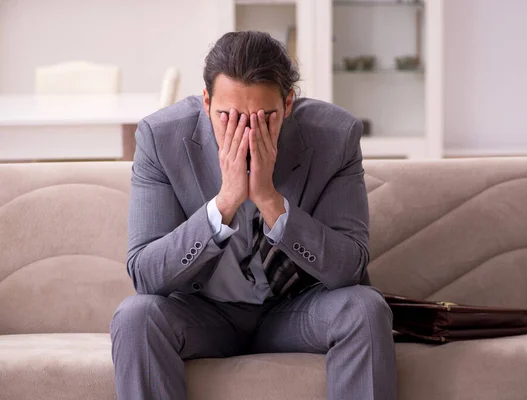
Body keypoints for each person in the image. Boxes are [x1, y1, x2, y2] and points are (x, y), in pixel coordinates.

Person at [110, 30, 398, 400]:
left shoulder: (335, 136)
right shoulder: (160, 138)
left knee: (365, 308)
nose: (244, 133)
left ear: (289, 103)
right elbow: (146, 274)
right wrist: (224, 203)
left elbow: (350, 269)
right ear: (206, 101)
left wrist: (270, 200)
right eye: (226, 116)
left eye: (263, 118)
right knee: (136, 316)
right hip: (204, 313)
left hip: (296, 310)